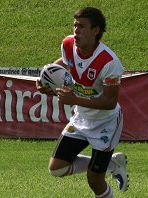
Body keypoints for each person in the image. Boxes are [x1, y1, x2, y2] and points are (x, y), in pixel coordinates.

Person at [36, 7, 129, 198]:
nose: (76, 30)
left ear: (95, 30)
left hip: (106, 123)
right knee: (57, 168)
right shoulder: (68, 44)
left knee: (94, 180)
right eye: (75, 25)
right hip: (81, 118)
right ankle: (112, 163)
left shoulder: (109, 62)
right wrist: (47, 79)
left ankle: (105, 169)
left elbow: (110, 102)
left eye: (82, 26)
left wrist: (75, 99)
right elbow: (64, 62)